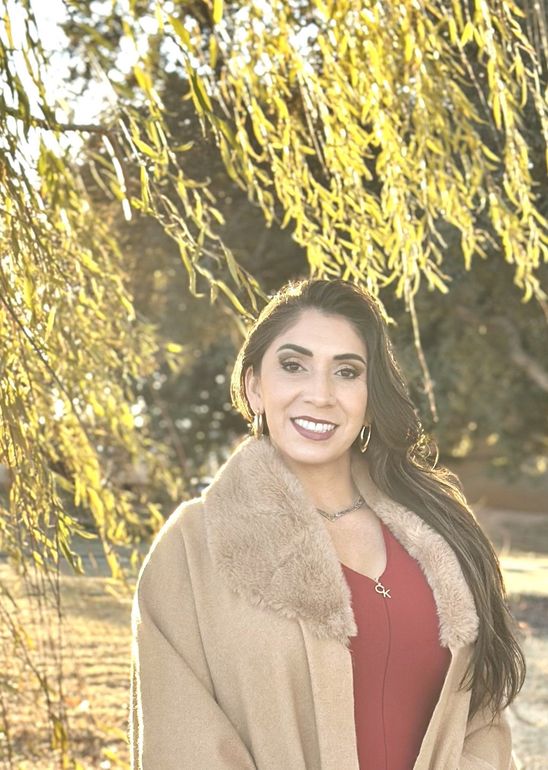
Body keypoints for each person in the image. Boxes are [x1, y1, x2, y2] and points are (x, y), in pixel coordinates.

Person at [129, 278, 525, 769]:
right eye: (293, 366)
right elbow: (179, 743)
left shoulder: (439, 534)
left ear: (369, 395)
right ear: (255, 387)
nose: (320, 394)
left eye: (346, 371)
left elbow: (482, 715)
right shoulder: (191, 550)